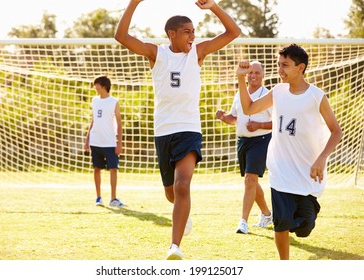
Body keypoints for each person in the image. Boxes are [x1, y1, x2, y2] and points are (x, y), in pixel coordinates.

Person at [115, 0, 241, 259]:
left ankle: (174, 246)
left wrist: (213, 7)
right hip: (163, 131)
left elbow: (233, 32)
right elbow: (121, 36)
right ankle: (184, 216)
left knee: (182, 186)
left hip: (189, 129)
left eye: (194, 31)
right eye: (187, 31)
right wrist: (134, 3)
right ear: (171, 34)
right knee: (171, 192)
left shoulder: (198, 53)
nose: (193, 36)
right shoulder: (156, 53)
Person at [236, 44, 342, 260]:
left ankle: (308, 209)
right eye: (278, 65)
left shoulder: (316, 96)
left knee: (304, 228)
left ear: (300, 67)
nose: (280, 70)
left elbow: (336, 131)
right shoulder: (278, 91)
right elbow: (248, 109)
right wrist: (240, 79)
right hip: (280, 171)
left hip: (306, 172)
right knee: (281, 224)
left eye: (285, 65)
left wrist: (321, 159)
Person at [216, 61, 273, 234]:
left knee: (250, 179)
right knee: (251, 181)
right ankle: (267, 214)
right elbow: (234, 118)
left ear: (263, 75)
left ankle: (243, 222)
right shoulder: (239, 94)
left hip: (261, 140)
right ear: (246, 75)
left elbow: (277, 122)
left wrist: (259, 125)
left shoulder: (268, 96)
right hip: (243, 141)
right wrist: (223, 117)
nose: (253, 75)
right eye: (250, 73)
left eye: (257, 72)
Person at [84, 76, 125, 208]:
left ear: (103, 86)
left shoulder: (114, 102)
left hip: (110, 142)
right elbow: (93, 120)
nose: (95, 87)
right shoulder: (94, 101)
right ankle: (98, 197)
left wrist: (119, 143)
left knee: (113, 169)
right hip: (96, 141)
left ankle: (113, 198)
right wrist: (87, 139)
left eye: (97, 85)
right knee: (96, 169)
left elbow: (119, 123)